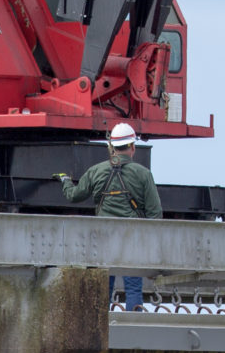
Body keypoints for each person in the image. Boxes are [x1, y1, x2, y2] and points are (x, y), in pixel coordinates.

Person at [57, 122, 163, 308]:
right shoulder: (144, 174)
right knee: (133, 288)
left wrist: (65, 180)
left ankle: (100, 329)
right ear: (132, 147)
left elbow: (73, 196)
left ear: (111, 147)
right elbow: (155, 214)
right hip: (132, 239)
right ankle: (133, 328)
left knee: (103, 288)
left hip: (103, 239)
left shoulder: (96, 171)